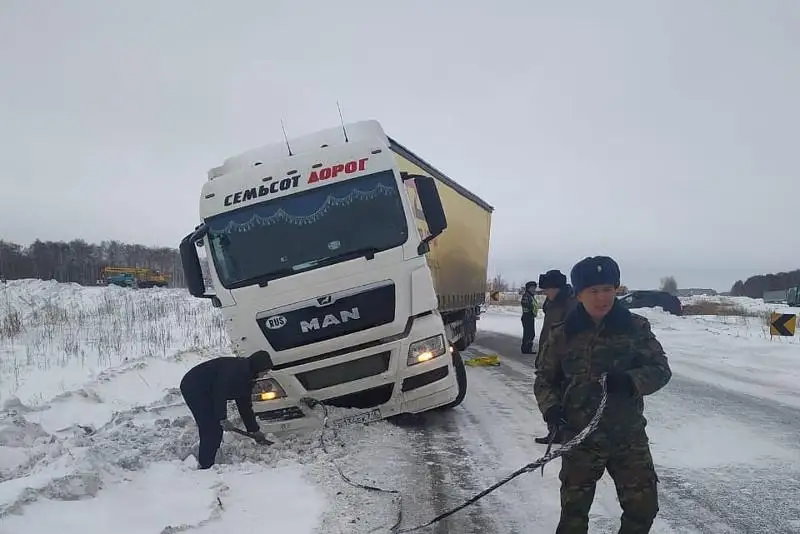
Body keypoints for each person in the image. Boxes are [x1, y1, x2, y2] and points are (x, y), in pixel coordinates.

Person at [533, 256, 672, 533]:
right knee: (573, 515)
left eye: (608, 289)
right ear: (579, 294)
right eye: (594, 291)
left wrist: (630, 381)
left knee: (643, 508)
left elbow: (660, 369)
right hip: (580, 438)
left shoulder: (635, 328)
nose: (602, 297)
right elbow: (545, 380)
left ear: (616, 289)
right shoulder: (563, 334)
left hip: (627, 437)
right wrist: (552, 409)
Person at [180, 351, 273, 469]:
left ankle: (208, 463)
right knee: (211, 428)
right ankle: (205, 467)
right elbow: (220, 392)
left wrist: (254, 430)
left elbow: (244, 406)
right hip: (194, 386)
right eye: (265, 371)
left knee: (214, 428)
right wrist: (222, 418)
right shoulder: (235, 370)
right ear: (259, 367)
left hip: (208, 391)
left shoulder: (248, 378)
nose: (265, 375)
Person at [533, 269, 577, 445]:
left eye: (547, 290)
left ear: (557, 288)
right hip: (550, 352)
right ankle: (555, 431)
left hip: (563, 356)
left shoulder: (570, 304)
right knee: (550, 394)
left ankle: (564, 432)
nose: (545, 293)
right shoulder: (553, 303)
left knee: (563, 395)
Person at [520, 280, 539, 354]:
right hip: (527, 316)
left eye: (534, 288)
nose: (534, 289)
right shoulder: (526, 296)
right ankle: (526, 349)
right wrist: (531, 308)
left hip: (530, 317)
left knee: (531, 333)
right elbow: (524, 304)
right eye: (532, 288)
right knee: (528, 333)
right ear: (528, 288)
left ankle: (527, 348)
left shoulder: (531, 296)